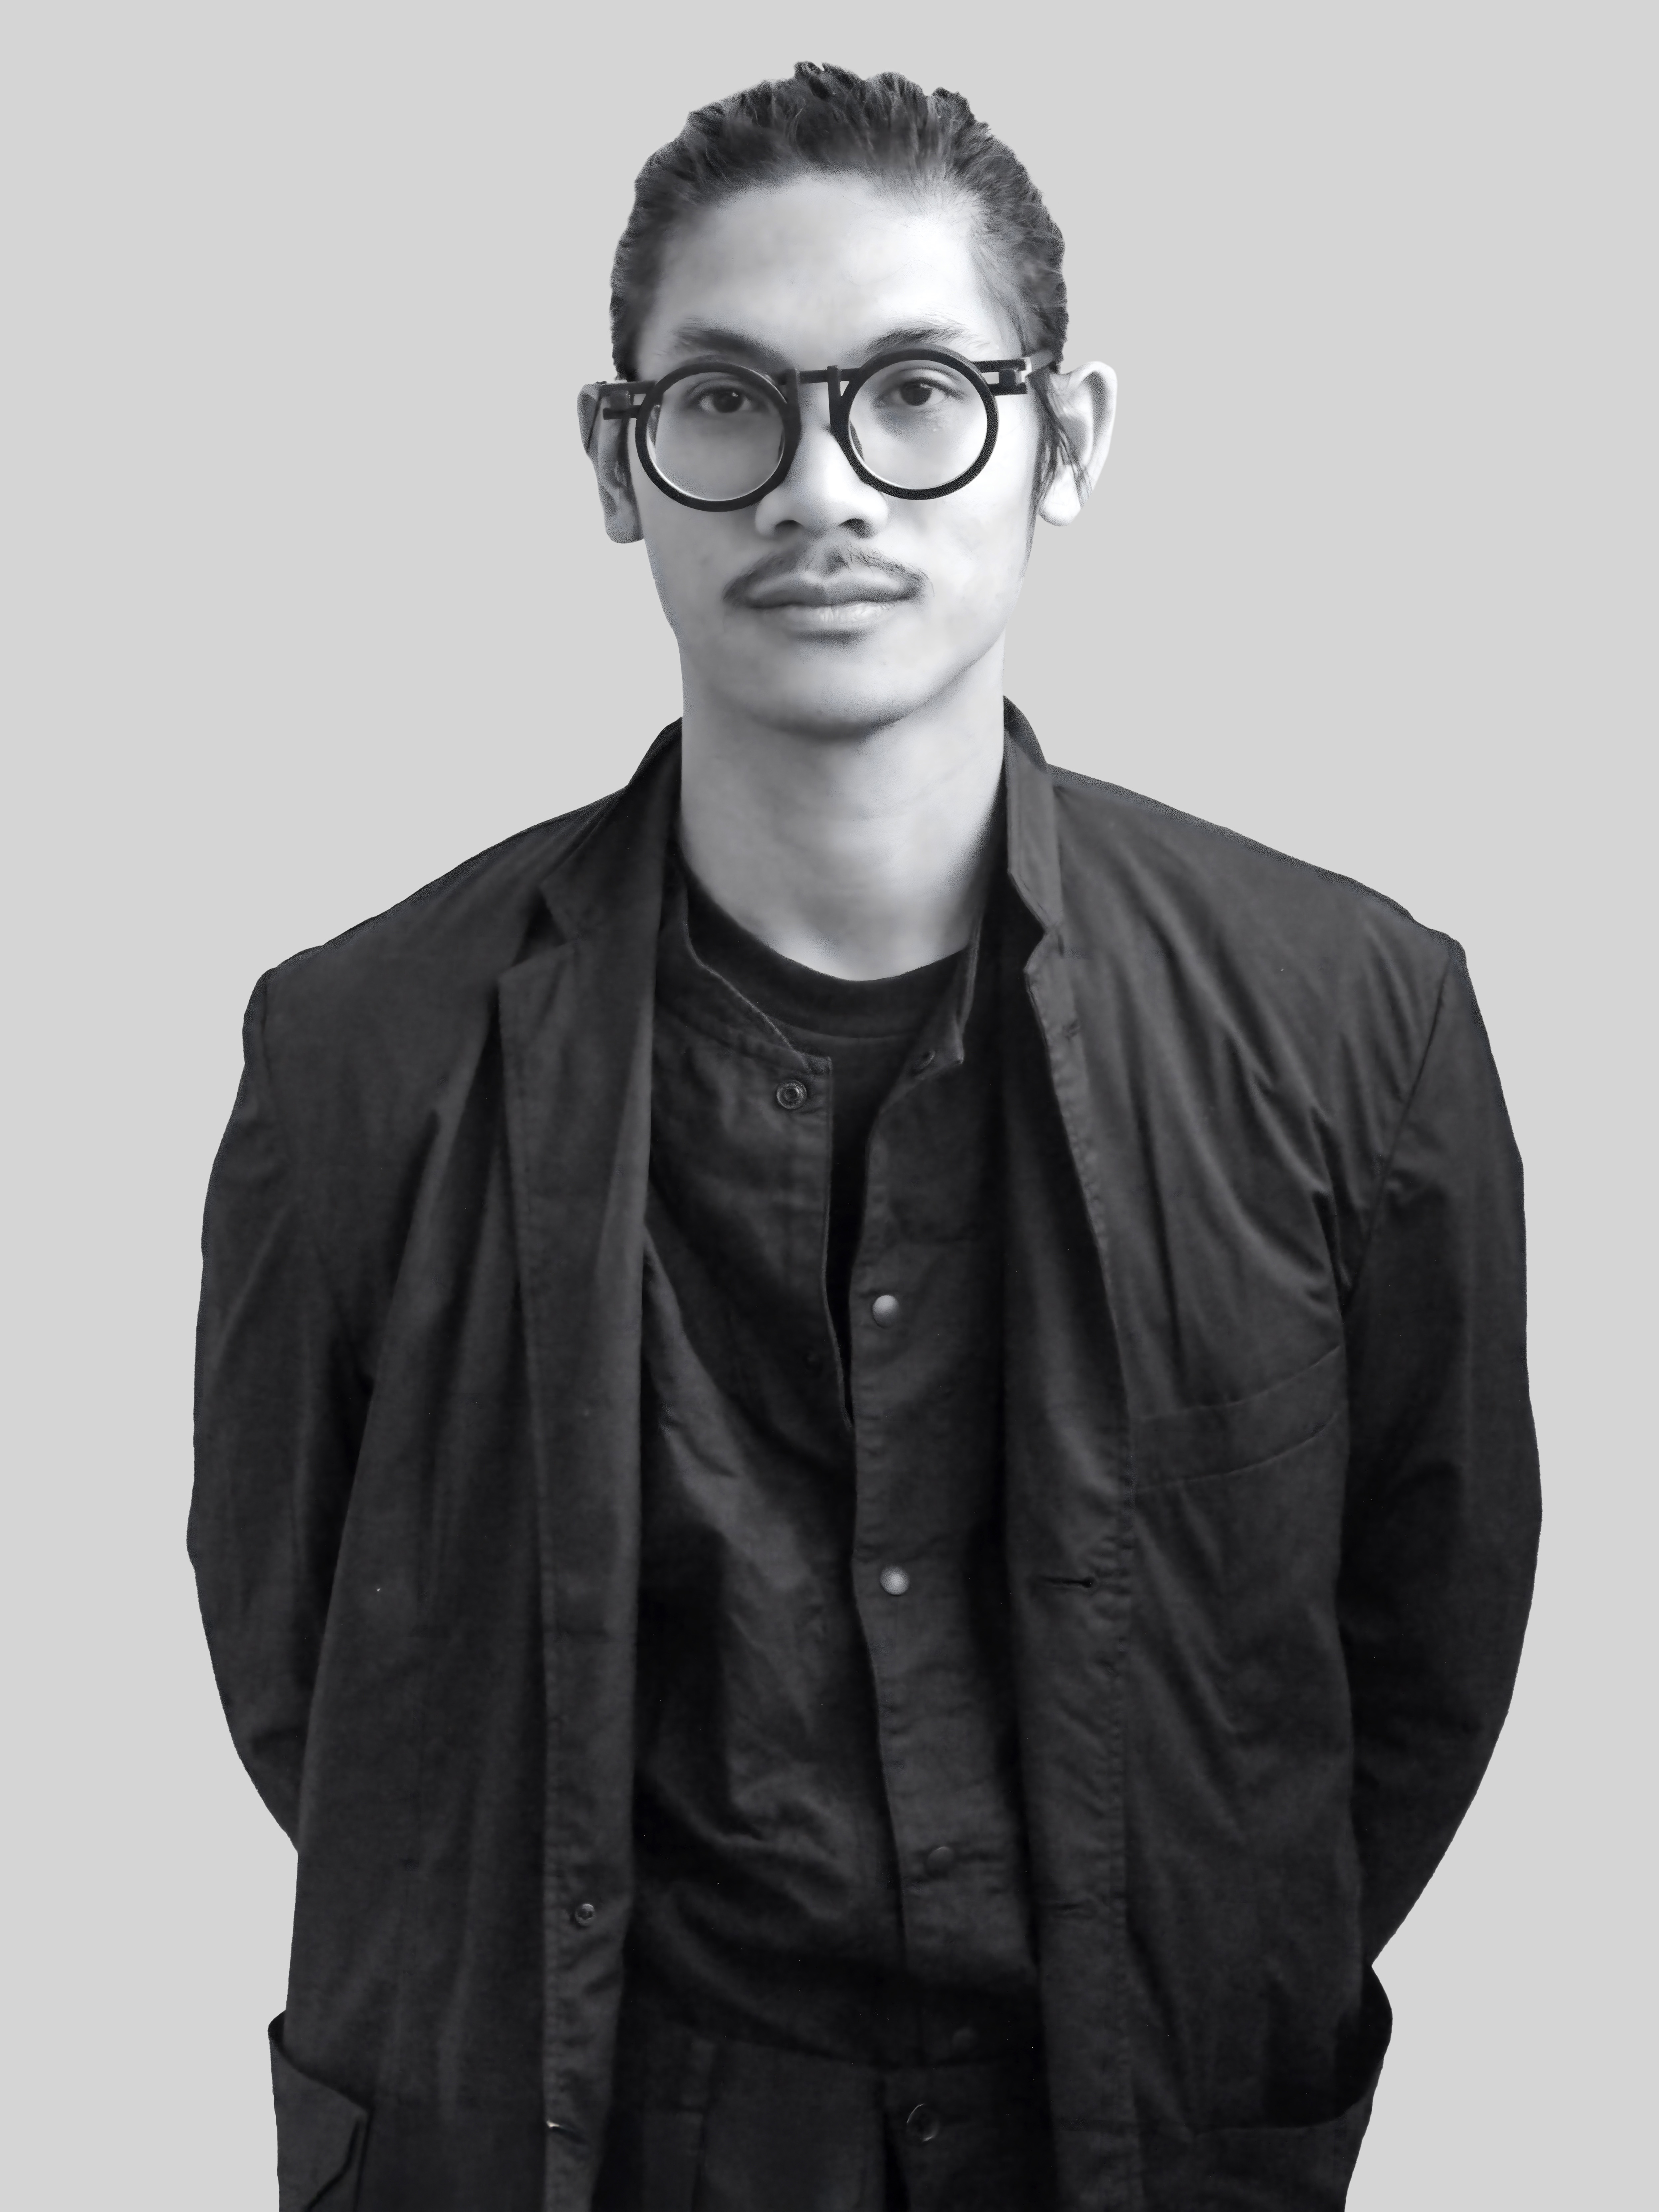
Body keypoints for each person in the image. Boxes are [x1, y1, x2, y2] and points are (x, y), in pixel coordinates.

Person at [190, 61, 1540, 2212]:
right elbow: (315, 1685)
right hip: (576, 2144)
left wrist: (1191, 1956)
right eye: (728, 402)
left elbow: (1419, 1643)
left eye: (918, 394)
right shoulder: (363, 1048)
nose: (822, 488)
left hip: (1131, 2141)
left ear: (1067, 439)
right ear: (618, 462)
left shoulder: (1353, 1019)